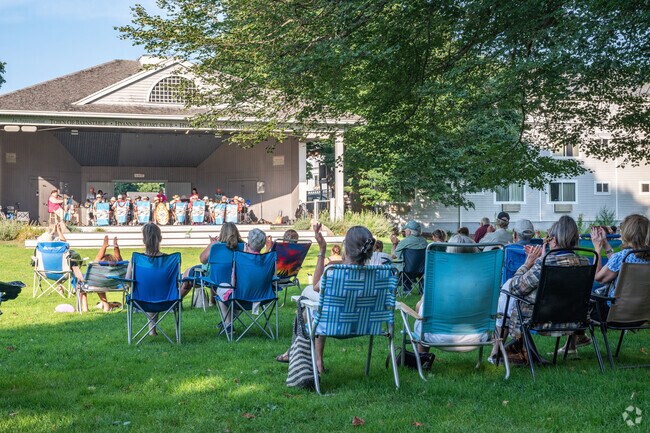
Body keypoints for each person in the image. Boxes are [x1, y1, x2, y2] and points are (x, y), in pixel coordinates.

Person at [276, 224, 376, 372]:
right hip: (366, 325)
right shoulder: (379, 274)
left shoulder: (334, 274)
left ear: (346, 249)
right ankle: (317, 361)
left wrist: (322, 250)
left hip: (333, 324)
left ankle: (297, 353)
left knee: (309, 298)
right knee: (316, 306)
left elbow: (316, 285)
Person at [496, 216, 590, 365]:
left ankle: (497, 351)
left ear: (556, 239)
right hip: (573, 319)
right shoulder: (585, 262)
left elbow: (516, 288)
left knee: (507, 296)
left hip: (541, 319)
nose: (547, 241)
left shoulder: (546, 262)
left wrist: (528, 264)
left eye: (549, 238)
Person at [557, 214, 650, 354]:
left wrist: (597, 249)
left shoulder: (623, 257)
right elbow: (618, 267)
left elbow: (598, 278)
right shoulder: (635, 257)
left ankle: (574, 342)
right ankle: (576, 340)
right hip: (640, 315)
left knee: (578, 298)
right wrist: (606, 244)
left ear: (629, 232)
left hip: (613, 314)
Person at [413, 234, 485, 356]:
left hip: (439, 336)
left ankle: (422, 358)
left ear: (449, 253)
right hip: (477, 336)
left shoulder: (439, 277)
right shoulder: (483, 280)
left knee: (421, 306)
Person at [214, 228, 267, 329]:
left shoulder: (240, 259)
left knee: (222, 287)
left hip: (241, 298)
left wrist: (244, 255)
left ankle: (228, 324)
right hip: (263, 298)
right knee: (232, 293)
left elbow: (233, 282)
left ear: (249, 243)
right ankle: (227, 321)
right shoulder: (267, 259)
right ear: (263, 245)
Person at [179, 222, 244, 301]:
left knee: (187, 274)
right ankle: (212, 302)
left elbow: (202, 260)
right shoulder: (244, 246)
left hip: (214, 278)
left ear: (222, 233)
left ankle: (175, 302)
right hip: (236, 278)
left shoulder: (215, 246)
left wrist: (211, 245)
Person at [127, 223, 164, 335]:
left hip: (140, 299)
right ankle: (152, 330)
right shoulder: (170, 260)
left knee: (149, 291)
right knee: (155, 290)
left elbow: (128, 281)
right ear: (160, 238)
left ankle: (151, 330)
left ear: (144, 240)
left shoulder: (136, 259)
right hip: (166, 299)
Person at [75, 236, 123, 312]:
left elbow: (98, 258)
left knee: (81, 281)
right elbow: (118, 258)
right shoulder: (117, 266)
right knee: (99, 281)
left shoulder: (98, 269)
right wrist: (116, 247)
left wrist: (104, 246)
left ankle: (85, 308)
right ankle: (106, 306)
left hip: (97, 284)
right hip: (114, 285)